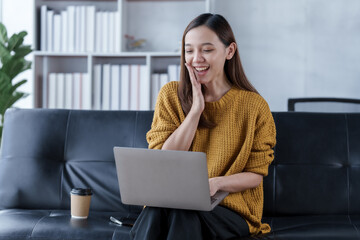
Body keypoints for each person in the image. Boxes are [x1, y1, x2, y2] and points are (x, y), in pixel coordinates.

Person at [130, 13, 276, 240]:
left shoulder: (254, 105)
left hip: (231, 209)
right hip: (174, 203)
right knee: (160, 210)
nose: (196, 58)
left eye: (207, 50)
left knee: (181, 215)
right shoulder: (171, 95)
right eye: (189, 50)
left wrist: (215, 184)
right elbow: (163, 160)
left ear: (229, 51)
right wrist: (196, 111)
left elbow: (256, 174)